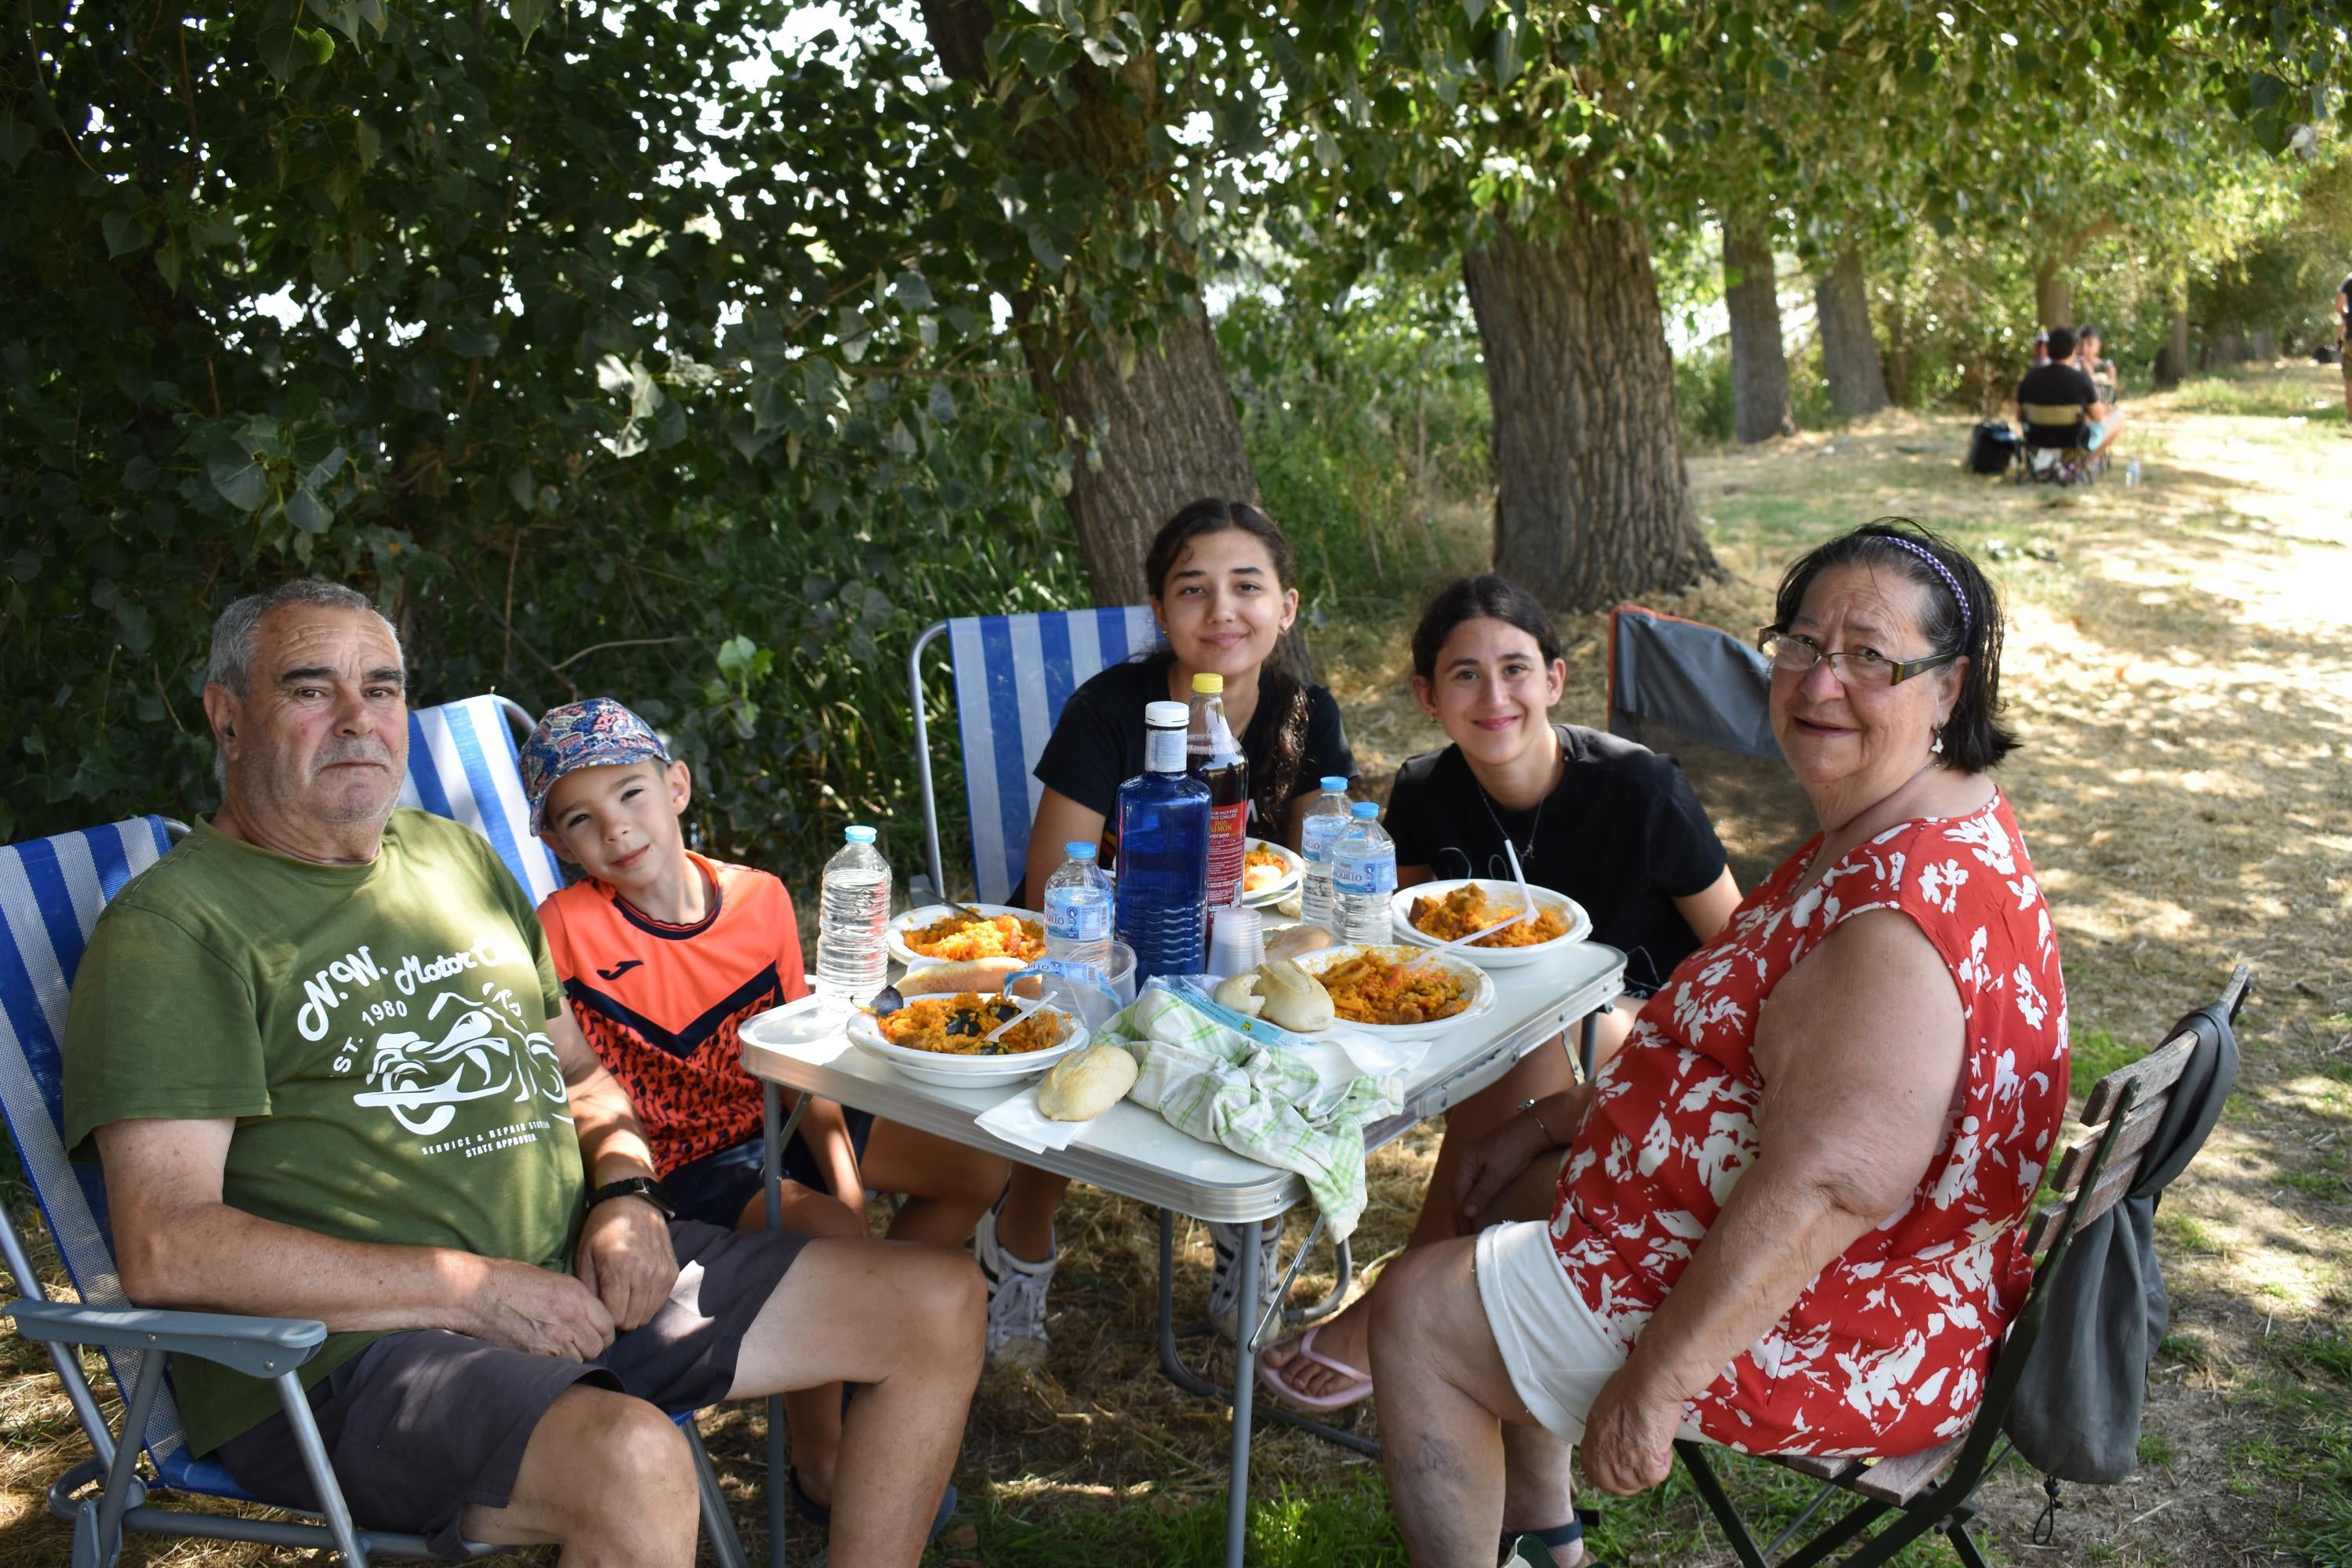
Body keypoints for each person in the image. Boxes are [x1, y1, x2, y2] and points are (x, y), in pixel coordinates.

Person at [64, 580, 982, 1567]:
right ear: (227, 715)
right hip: (345, 1358)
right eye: (309, 688)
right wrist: (469, 1291)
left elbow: (582, 1073)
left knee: (937, 1301)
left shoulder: (454, 859)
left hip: (571, 1278)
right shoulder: (176, 929)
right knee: (633, 1460)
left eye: (381, 688)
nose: (356, 719)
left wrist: (626, 1194)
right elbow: (170, 1247)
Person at [1364, 522, 2068, 1568]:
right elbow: (1726, 1057)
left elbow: (1830, 1190)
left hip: (1848, 1330)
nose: (1821, 683)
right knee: (1496, 1191)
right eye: (1800, 644)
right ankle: (1548, 1534)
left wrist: (1655, 1388)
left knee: (1415, 1309)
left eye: (1870, 656)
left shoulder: (1897, 924)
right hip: (1860, 1274)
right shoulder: (1903, 828)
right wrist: (1561, 1122)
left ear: (1951, 688)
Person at [1256, 574, 1742, 1411]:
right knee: (1485, 1030)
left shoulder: (1641, 789)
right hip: (1489, 1030)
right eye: (1465, 674)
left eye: (1516, 668)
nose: (1494, 695)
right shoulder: (1426, 789)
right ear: (1427, 694)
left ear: (1555, 679)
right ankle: (1330, 1259)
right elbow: (1400, 946)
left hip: (1644, 1036)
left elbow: (1740, 955)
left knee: (1531, 1033)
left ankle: (1392, 1300)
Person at [523, 696, 1007, 1525]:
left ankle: (864, 1346)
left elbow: (801, 1058)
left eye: (631, 793)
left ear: (675, 785)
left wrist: (847, 1176)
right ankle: (819, 1457)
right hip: (685, 1163)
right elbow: (569, 1079)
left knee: (974, 1167)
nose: (617, 828)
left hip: (782, 1111)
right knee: (828, 1228)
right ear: (559, 845)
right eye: (582, 818)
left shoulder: (761, 900)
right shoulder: (563, 927)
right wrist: (839, 1208)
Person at [982, 496, 1359, 1364]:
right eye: (1193, 589)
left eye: (1247, 586)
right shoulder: (1110, 709)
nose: (1222, 610)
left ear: (1286, 606)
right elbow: (1049, 883)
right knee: (1075, 1043)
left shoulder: (1306, 715)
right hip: (1091, 945)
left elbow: (1319, 875)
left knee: (1286, 1030)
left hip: (1233, 948)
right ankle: (1022, 1244)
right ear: (1160, 610)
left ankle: (1247, 1236)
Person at [2016, 325, 2124, 459]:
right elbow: (2099, 417)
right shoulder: (2082, 380)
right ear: (2073, 350)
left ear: (2048, 349)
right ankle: (2080, 467)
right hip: (2072, 444)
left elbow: (2020, 416)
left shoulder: (2030, 379)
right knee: (2118, 416)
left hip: (2037, 442)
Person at [2075, 325, 2120, 404]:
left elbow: (2110, 399)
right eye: (2081, 344)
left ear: (2098, 346)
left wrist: (2091, 377)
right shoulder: (2074, 365)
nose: (2084, 349)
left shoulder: (2107, 367)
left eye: (2090, 344)